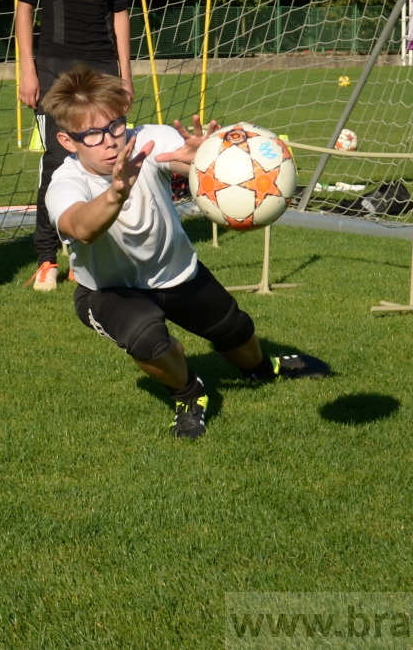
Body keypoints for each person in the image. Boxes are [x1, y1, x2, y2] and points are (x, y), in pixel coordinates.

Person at [44, 66, 329, 439]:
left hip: (175, 271)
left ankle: (262, 369)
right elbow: (81, 226)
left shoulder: (147, 139)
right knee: (147, 338)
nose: (111, 141)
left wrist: (205, 158)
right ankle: (189, 393)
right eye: (93, 135)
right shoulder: (65, 183)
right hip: (107, 290)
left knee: (235, 330)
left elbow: (181, 160)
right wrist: (117, 191)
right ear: (69, 141)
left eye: (116, 125)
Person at [16, 0, 133, 292]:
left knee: (109, 154)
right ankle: (47, 257)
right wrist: (28, 70)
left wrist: (125, 72)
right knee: (56, 158)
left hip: (102, 65)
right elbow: (24, 7)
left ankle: (107, 244)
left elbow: (120, 12)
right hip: (54, 64)